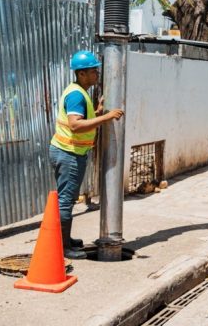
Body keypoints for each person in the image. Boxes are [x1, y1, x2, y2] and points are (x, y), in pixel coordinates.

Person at [49, 50, 124, 259]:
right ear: (81, 74)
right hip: (69, 153)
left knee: (69, 198)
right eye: (93, 71)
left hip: (70, 152)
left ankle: (66, 239)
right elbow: (75, 125)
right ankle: (63, 247)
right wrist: (107, 117)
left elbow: (82, 118)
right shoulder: (76, 95)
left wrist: (98, 112)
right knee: (66, 200)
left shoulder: (79, 91)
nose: (97, 75)